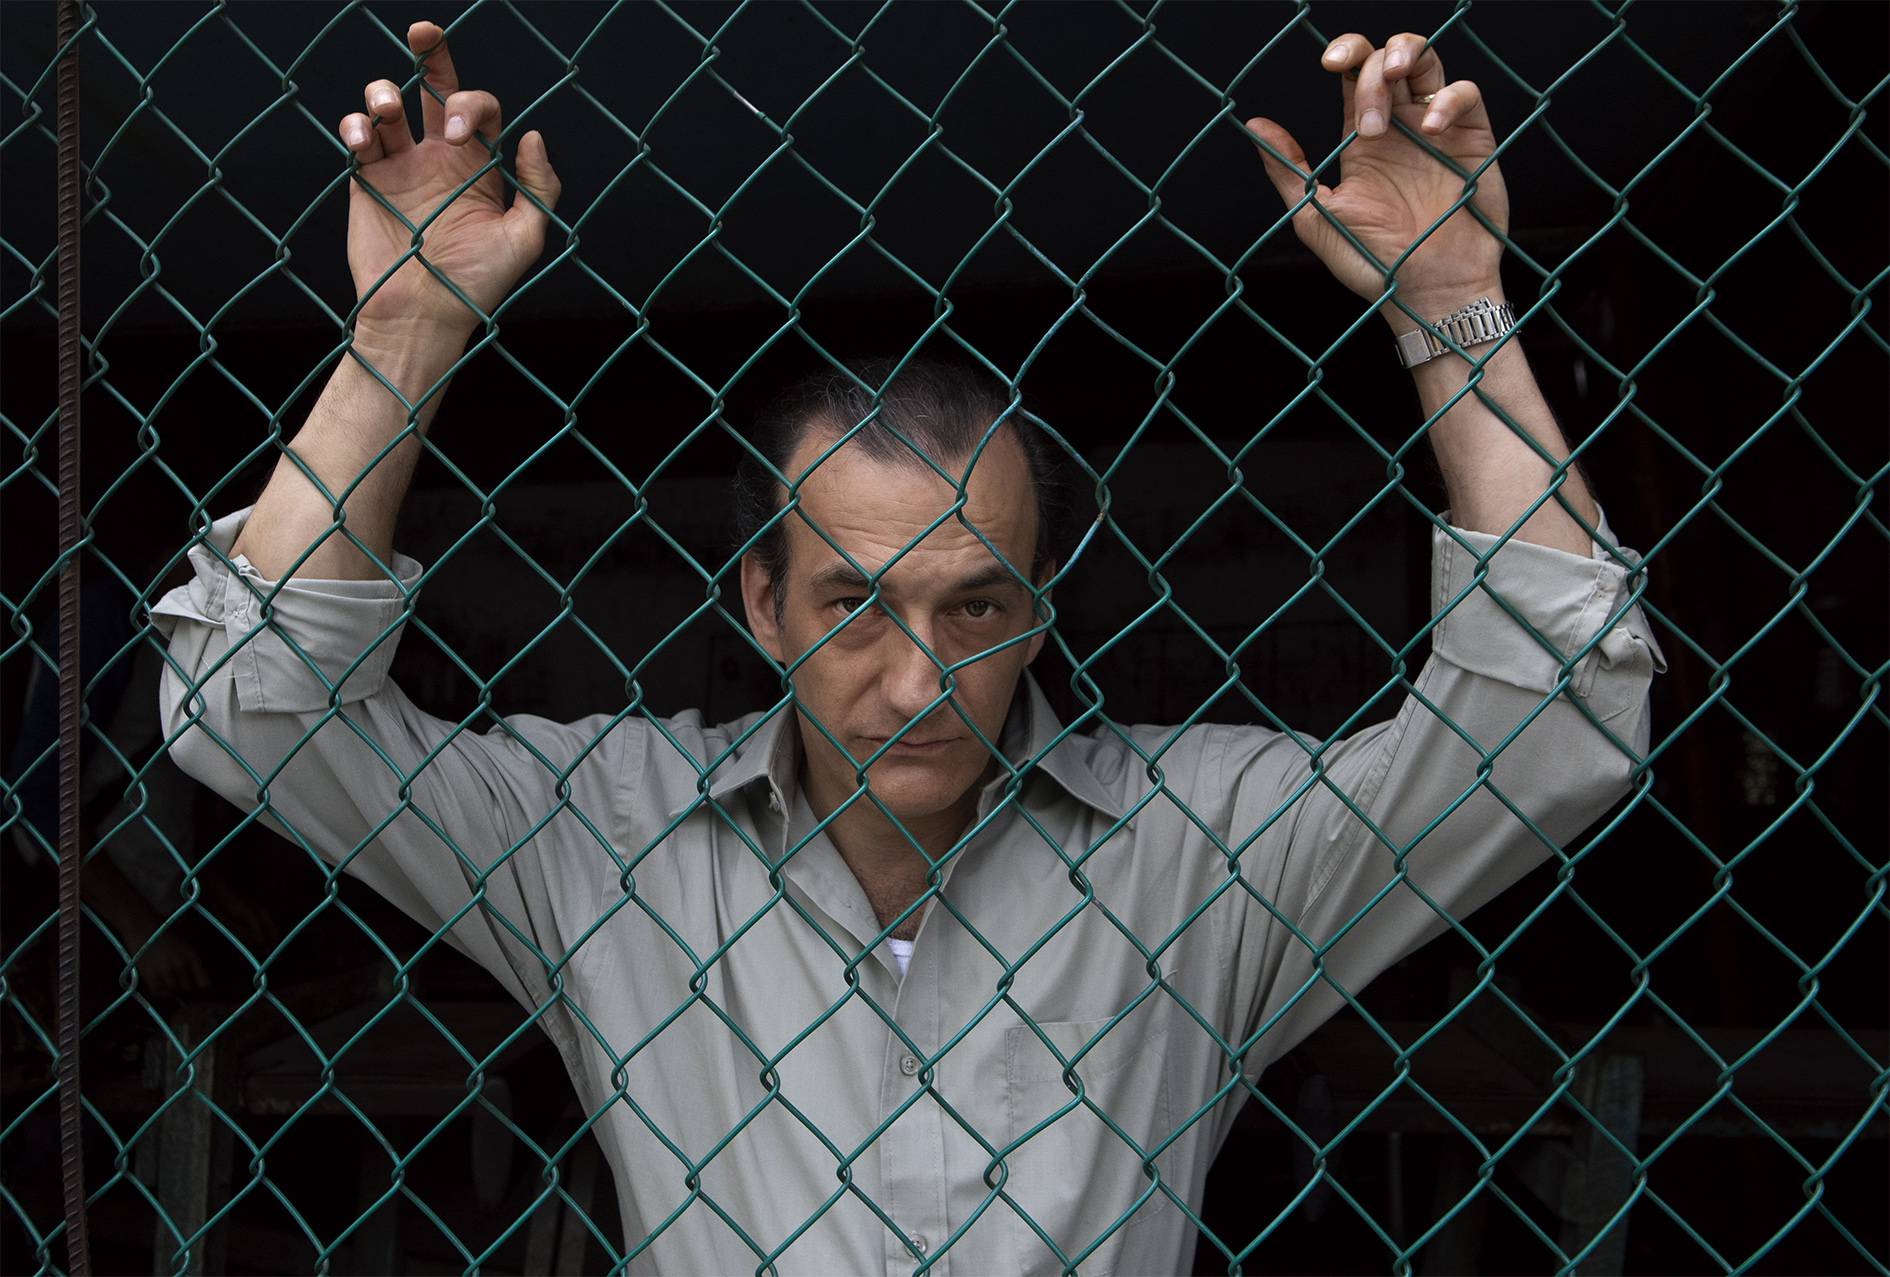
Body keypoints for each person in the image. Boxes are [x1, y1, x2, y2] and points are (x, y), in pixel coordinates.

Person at [150, 20, 1666, 1276]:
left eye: (975, 606)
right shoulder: (599, 841)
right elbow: (247, 712)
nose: (918, 681)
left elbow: (1553, 728)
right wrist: (403, 335)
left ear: (1045, 600)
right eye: (854, 605)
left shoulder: (1203, 852)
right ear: (760, 606)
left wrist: (1454, 309)